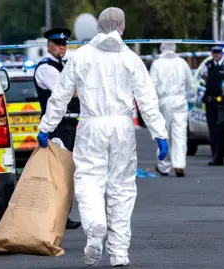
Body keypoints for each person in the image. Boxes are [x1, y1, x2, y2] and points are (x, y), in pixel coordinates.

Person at [36, 7, 169, 267]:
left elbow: (61, 95)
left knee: (88, 180)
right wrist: (159, 134)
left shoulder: (81, 56)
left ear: (97, 27)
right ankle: (119, 252)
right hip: (122, 127)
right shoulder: (131, 59)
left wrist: (45, 127)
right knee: (121, 188)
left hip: (91, 125)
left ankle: (95, 225)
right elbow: (147, 100)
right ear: (122, 27)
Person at [33, 27, 82, 230]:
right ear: (49, 45)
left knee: (68, 173)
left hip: (70, 124)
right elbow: (65, 93)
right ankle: (55, 216)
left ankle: (62, 214)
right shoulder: (46, 68)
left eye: (64, 44)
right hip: (57, 126)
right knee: (58, 174)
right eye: (57, 44)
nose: (61, 48)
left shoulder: (64, 66)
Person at [150, 43, 196, 177]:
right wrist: (191, 100)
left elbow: (152, 85)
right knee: (180, 135)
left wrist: (151, 104)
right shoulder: (182, 63)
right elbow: (191, 84)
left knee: (163, 134)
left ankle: (164, 166)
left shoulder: (157, 64)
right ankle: (179, 164)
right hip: (180, 101)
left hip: (163, 102)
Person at [199, 45, 224, 166]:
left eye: (218, 52)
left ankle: (220, 153)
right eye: (214, 52)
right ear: (211, 53)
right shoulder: (208, 64)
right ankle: (215, 156)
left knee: (221, 125)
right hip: (211, 100)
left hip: (223, 100)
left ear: (221, 53)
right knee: (212, 128)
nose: (216, 54)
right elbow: (203, 76)